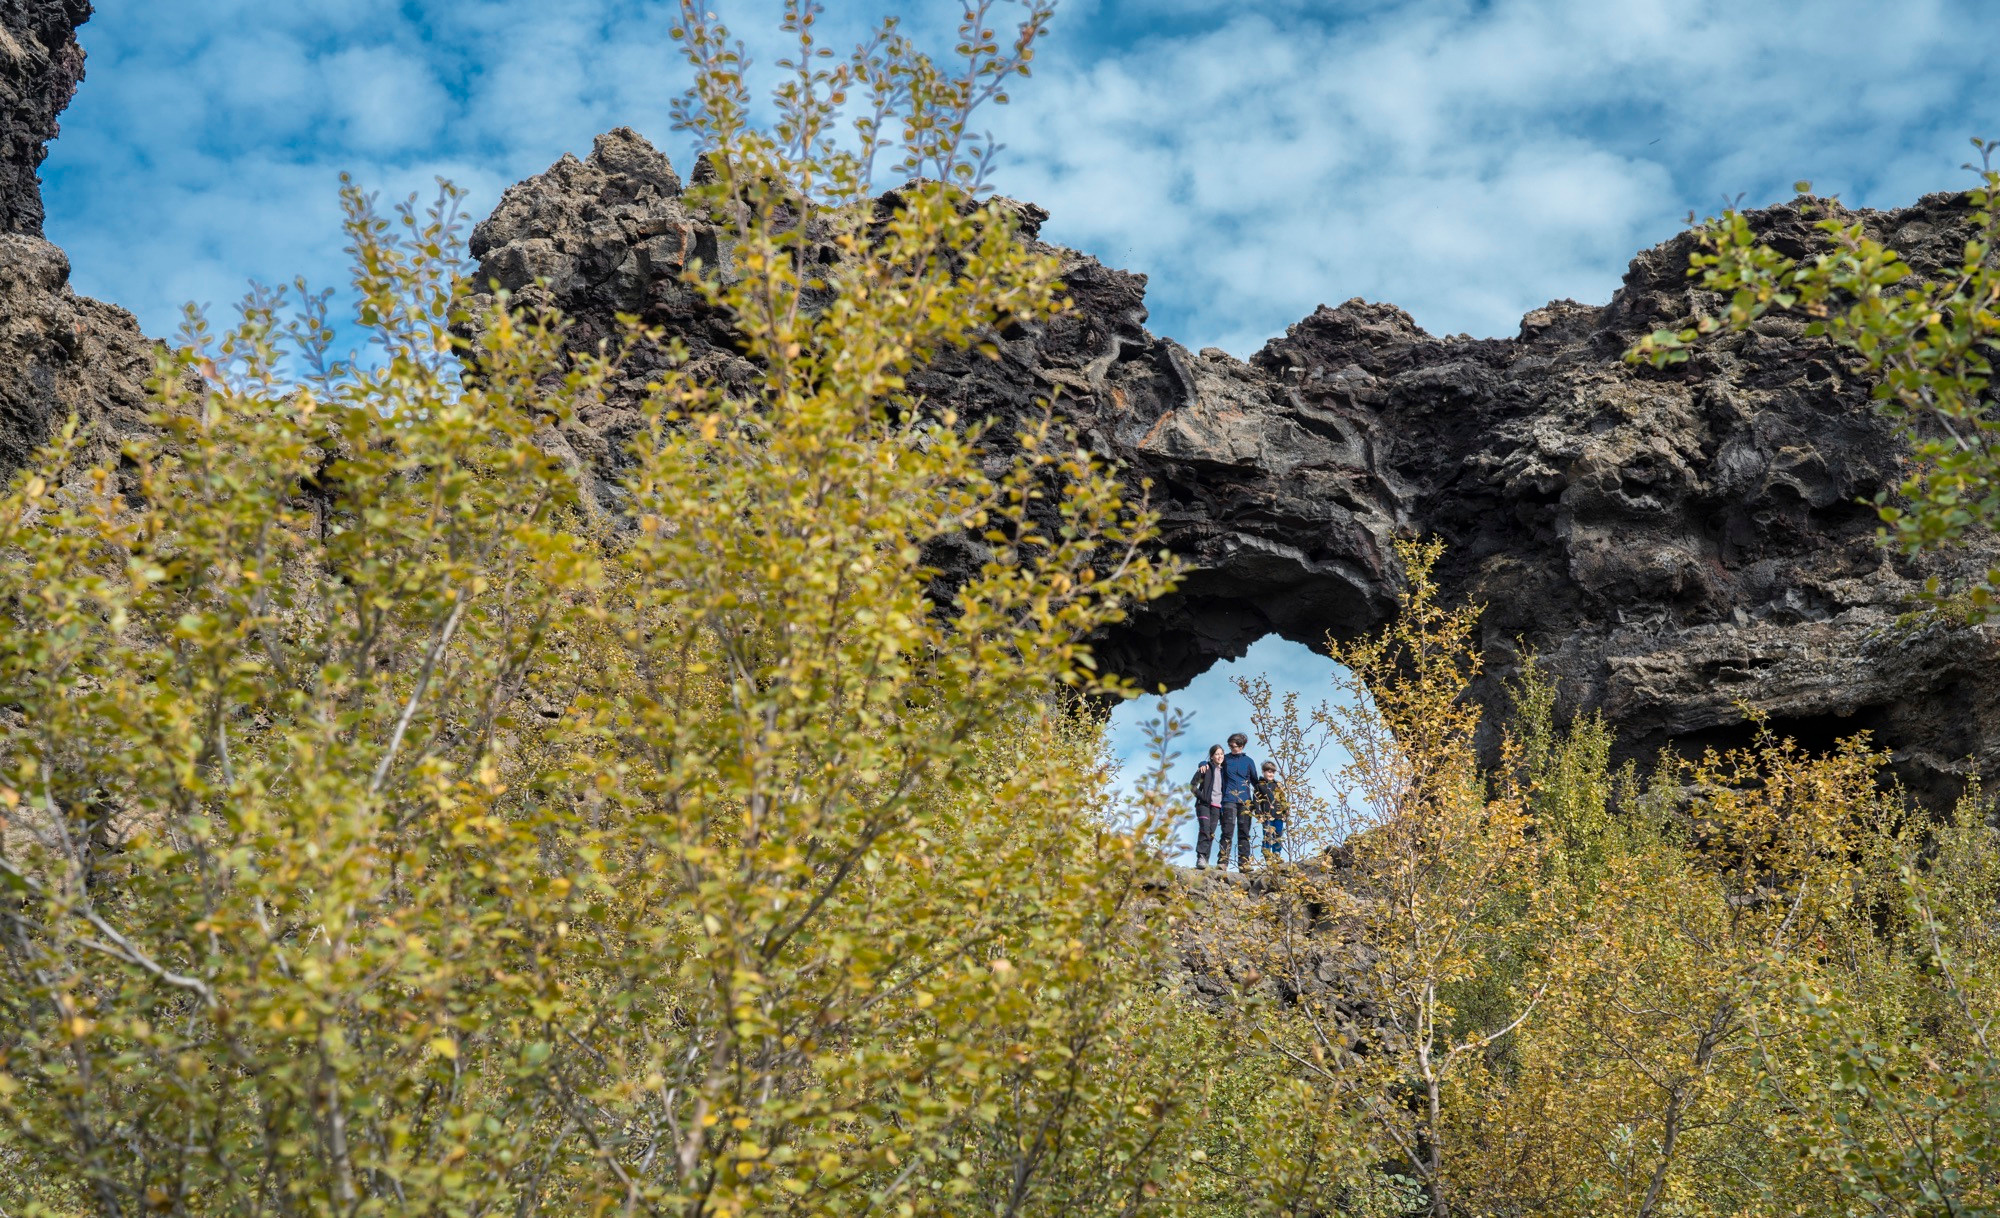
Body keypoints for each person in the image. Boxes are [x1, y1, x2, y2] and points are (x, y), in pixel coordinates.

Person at [1217, 733, 1261, 871]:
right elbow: (1212, 763)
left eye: (1233, 746)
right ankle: (1223, 862)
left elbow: (1256, 782)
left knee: (1244, 832)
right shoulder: (1226, 759)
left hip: (1245, 802)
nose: (1230, 748)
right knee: (1227, 831)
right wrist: (1202, 764)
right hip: (1228, 799)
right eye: (1229, 745)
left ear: (1241, 746)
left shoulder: (1248, 761)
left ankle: (1244, 863)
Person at [1189, 744, 1226, 869]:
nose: (1219, 756)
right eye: (1217, 754)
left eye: (1221, 754)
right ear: (1212, 756)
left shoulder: (1224, 771)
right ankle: (1201, 857)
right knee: (1204, 829)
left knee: (1211, 833)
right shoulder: (1205, 768)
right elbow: (1192, 785)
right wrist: (1203, 797)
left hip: (1217, 806)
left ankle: (1205, 859)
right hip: (1204, 804)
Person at [1254, 761, 1287, 863]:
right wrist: (1259, 814)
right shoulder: (1259, 786)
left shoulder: (1277, 785)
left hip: (1278, 815)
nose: (1271, 774)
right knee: (1267, 835)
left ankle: (1277, 854)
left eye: (1273, 772)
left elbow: (1283, 799)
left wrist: (1285, 812)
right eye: (1269, 772)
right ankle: (1267, 855)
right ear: (1263, 772)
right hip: (1267, 815)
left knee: (1278, 834)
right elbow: (1256, 801)